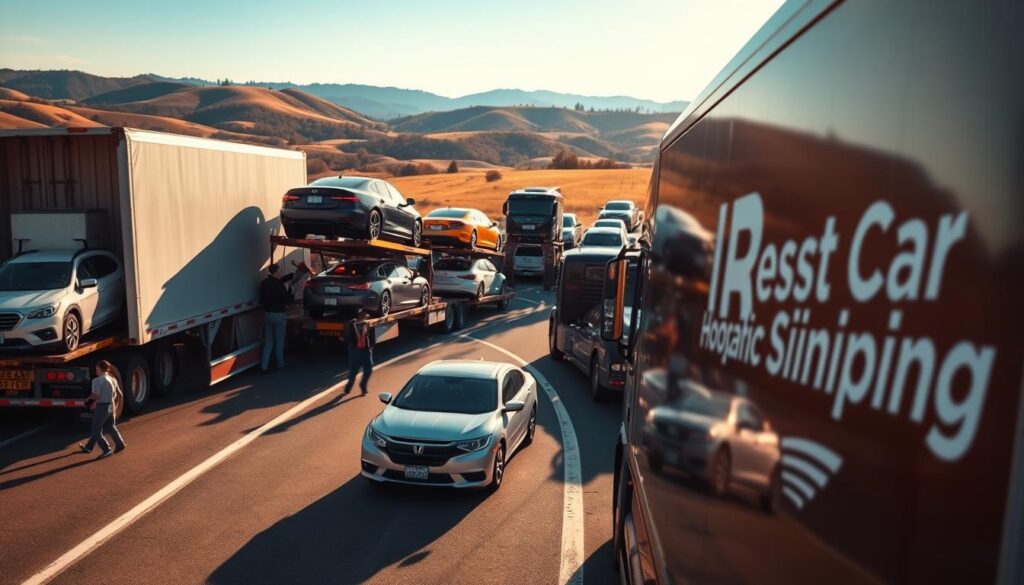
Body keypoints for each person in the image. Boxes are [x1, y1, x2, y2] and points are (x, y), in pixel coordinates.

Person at [78, 360, 126, 458]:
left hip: (102, 407)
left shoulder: (97, 380)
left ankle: (106, 449)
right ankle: (119, 444)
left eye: (97, 369)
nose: (96, 371)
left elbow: (96, 395)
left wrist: (88, 400)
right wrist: (116, 406)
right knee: (110, 426)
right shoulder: (113, 379)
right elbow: (120, 395)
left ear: (100, 369)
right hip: (110, 405)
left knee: (96, 430)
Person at [260, 264, 294, 373]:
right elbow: (286, 300)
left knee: (269, 341)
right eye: (279, 271)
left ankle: (264, 366)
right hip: (279, 315)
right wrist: (290, 290)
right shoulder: (279, 285)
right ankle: (280, 364)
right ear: (276, 272)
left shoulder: (264, 283)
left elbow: (262, 298)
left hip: (267, 314)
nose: (280, 273)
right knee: (279, 341)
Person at [344, 309, 376, 395]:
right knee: (353, 371)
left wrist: (370, 347)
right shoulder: (351, 325)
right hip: (355, 350)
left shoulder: (369, 325)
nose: (366, 317)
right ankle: (349, 386)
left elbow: (372, 338)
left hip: (365, 350)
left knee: (368, 369)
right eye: (365, 315)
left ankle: (363, 385)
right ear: (360, 316)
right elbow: (346, 336)